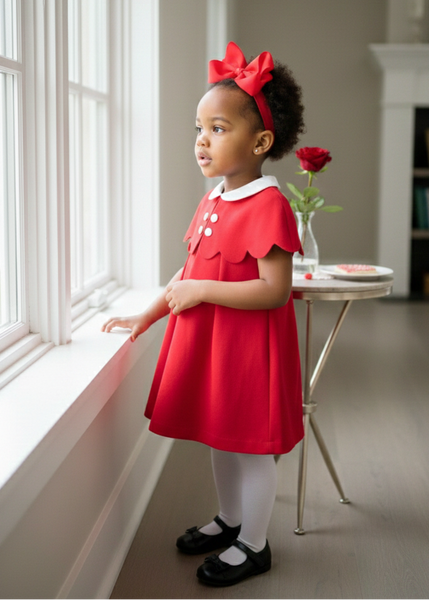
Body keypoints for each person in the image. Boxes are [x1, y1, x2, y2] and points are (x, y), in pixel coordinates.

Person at [102, 41, 305, 587]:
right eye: (200, 128)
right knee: (221, 438)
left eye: (218, 128)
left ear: (260, 141)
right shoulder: (213, 200)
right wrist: (147, 316)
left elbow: (274, 292)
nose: (202, 140)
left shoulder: (269, 205)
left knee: (251, 446)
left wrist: (204, 291)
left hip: (247, 353)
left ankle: (256, 545)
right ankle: (231, 518)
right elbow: (186, 272)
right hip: (214, 346)